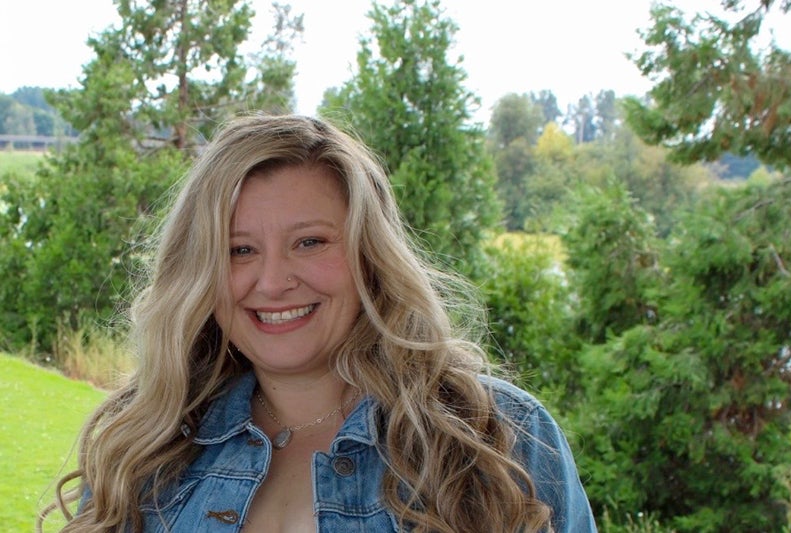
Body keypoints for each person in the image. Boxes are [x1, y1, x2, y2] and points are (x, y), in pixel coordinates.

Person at [46, 114, 597, 532]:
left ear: (369, 256)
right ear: (200, 274)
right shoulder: (143, 447)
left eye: (309, 242)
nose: (272, 281)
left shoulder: (495, 437)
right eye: (238, 250)